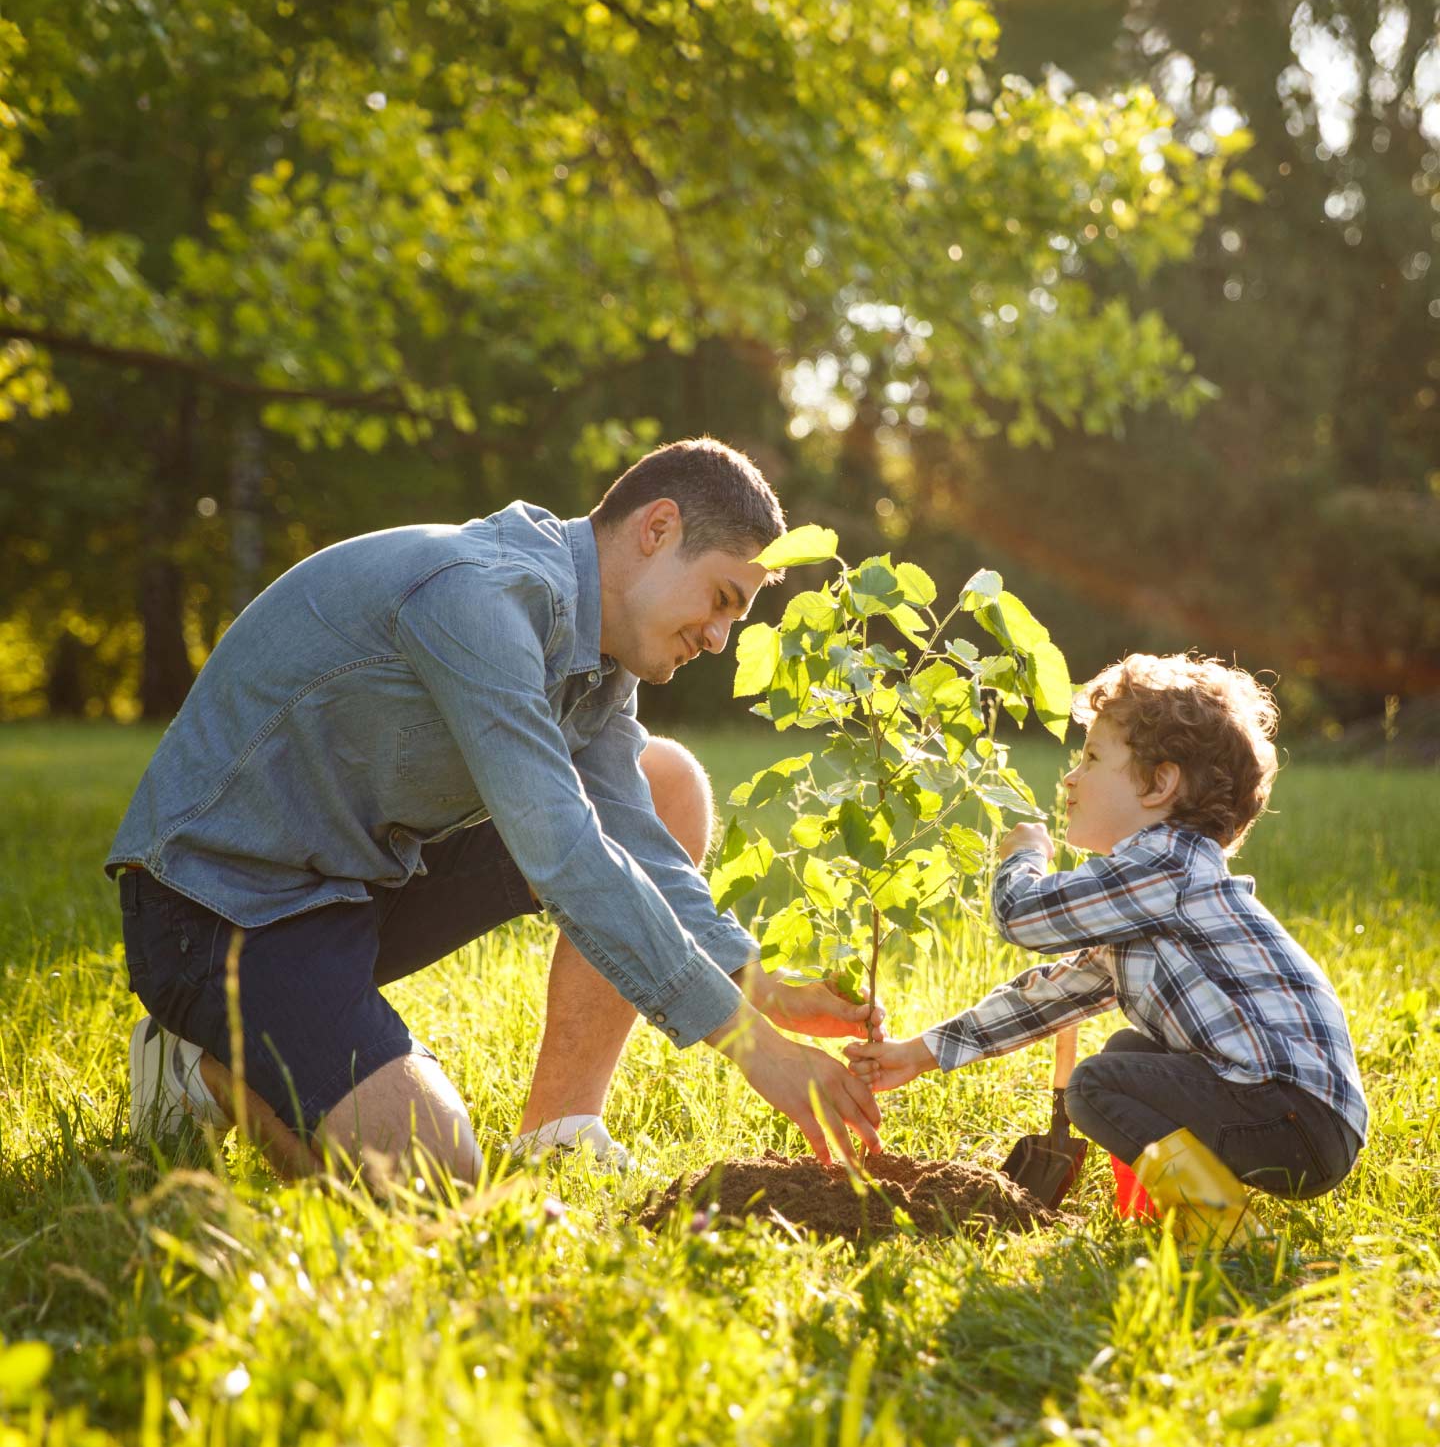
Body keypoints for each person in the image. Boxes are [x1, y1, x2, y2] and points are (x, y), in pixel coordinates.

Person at [110, 438, 882, 1184]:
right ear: (658, 529)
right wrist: (754, 1047)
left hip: (353, 884)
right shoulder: (481, 596)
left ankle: (560, 1134)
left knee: (663, 782)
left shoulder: (600, 658)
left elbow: (634, 837)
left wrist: (757, 982)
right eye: (722, 600)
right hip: (219, 910)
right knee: (434, 1176)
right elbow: (564, 851)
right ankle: (198, 1065)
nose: (718, 638)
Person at [846, 653, 1366, 1239]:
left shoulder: (1164, 864)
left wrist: (1025, 858)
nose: (1070, 777)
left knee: (1096, 1086)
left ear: (1160, 783)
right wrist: (920, 1053)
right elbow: (1050, 997)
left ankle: (1223, 1232)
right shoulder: (1153, 896)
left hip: (1290, 1113)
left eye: (1091, 758)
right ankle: (1162, 1215)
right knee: (1128, 1052)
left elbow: (1022, 916)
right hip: (1302, 1117)